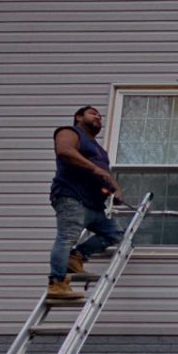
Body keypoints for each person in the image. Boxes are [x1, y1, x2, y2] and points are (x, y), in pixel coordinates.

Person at [47, 105, 123, 302]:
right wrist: (94, 169)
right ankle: (57, 282)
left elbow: (104, 171)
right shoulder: (69, 132)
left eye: (100, 115)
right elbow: (64, 151)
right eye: (92, 113)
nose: (98, 117)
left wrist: (116, 189)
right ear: (79, 117)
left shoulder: (99, 150)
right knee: (67, 236)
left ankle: (77, 256)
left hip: (94, 205)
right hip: (72, 196)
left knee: (115, 233)